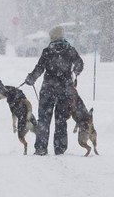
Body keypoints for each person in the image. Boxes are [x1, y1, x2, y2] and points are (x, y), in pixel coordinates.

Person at [24, 25, 84, 155]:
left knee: (44, 120)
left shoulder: (47, 51)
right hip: (65, 89)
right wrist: (76, 70)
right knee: (61, 120)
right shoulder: (70, 50)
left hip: (48, 89)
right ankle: (60, 148)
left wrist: (31, 78)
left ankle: (41, 148)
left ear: (53, 37)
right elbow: (80, 63)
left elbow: (39, 68)